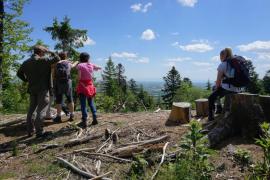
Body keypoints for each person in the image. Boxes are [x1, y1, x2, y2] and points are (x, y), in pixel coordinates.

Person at [17, 45, 60, 137]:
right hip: (43, 89)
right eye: (44, 51)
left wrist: (26, 80)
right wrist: (49, 51)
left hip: (32, 88)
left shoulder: (26, 62)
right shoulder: (43, 60)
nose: (44, 53)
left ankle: (30, 130)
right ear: (41, 52)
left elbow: (19, 73)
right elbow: (57, 58)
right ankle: (39, 132)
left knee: (31, 110)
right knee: (42, 110)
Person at [208, 48, 241, 121]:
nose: (220, 58)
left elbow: (218, 82)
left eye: (220, 56)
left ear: (222, 56)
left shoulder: (223, 64)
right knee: (217, 91)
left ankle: (211, 116)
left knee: (211, 97)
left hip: (228, 89)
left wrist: (216, 88)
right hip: (238, 89)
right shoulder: (236, 63)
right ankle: (219, 108)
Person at [76, 52, 101, 128]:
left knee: (83, 104)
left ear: (80, 58)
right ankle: (95, 117)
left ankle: (85, 121)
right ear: (88, 58)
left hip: (82, 86)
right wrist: (96, 67)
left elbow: (79, 77)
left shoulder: (79, 65)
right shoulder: (91, 65)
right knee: (91, 102)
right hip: (90, 85)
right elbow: (98, 67)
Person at [53, 52, 78, 123]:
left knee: (58, 99)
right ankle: (72, 115)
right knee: (70, 98)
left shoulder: (56, 64)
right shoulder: (68, 63)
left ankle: (58, 117)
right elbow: (73, 66)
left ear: (59, 57)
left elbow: (53, 74)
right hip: (67, 82)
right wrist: (76, 62)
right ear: (65, 57)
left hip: (58, 83)